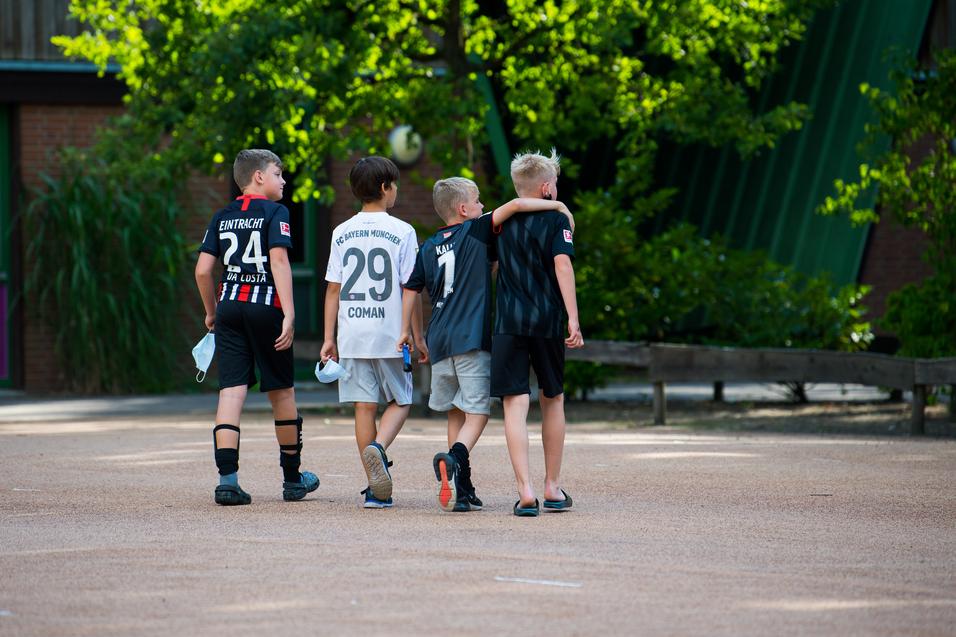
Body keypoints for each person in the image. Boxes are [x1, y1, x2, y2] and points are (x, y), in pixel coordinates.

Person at [399, 177, 573, 512]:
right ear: (464, 209)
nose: (482, 206)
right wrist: (558, 205)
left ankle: (462, 489)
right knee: (477, 413)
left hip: (438, 339)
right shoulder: (476, 230)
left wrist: (411, 334)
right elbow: (519, 205)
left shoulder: (430, 244)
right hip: (470, 338)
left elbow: (411, 289)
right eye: (478, 201)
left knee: (455, 411)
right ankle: (454, 457)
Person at [194, 149, 319, 506]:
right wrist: (290, 314)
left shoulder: (222, 216)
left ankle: (227, 481)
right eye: (279, 173)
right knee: (281, 391)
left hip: (229, 309)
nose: (284, 181)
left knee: (231, 393)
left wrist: (211, 312)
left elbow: (203, 270)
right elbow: (278, 260)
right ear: (259, 177)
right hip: (266, 306)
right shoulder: (276, 212)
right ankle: (293, 480)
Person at [320, 156, 424, 509]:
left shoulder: (341, 231)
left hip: (352, 332)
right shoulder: (403, 231)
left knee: (364, 407)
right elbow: (412, 288)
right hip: (389, 332)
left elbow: (332, 289)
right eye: (394, 185)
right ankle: (378, 449)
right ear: (384, 188)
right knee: (402, 400)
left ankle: (373, 490)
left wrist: (328, 338)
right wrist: (415, 334)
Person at [491, 149, 584, 517]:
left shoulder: (498, 222)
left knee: (514, 405)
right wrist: (573, 318)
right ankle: (552, 486)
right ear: (547, 187)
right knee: (553, 399)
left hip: (508, 323)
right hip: (546, 321)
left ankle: (525, 490)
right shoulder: (556, 222)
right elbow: (562, 265)